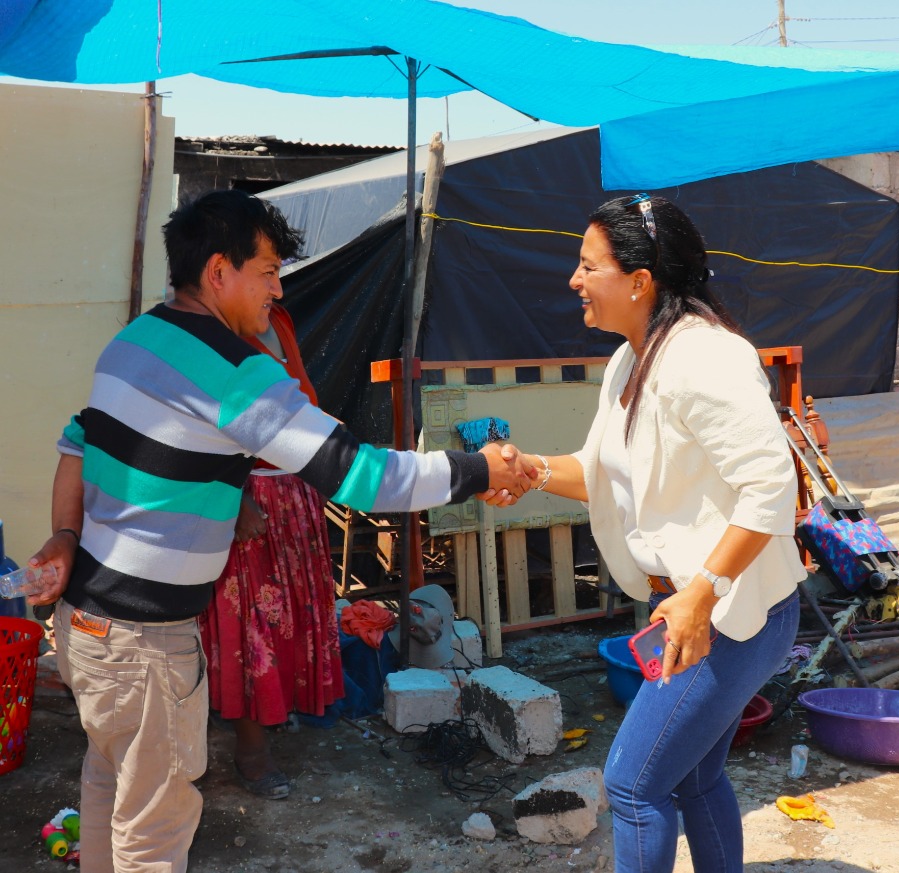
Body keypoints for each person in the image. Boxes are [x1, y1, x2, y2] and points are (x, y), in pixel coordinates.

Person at [23, 189, 529, 873]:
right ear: (218, 273)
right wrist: (475, 467)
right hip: (143, 644)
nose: (278, 287)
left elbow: (78, 441)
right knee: (154, 830)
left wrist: (62, 532)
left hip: (86, 628)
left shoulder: (133, 340)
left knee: (110, 786)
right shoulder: (235, 368)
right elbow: (358, 475)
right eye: (266, 270)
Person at [489, 194, 806, 873]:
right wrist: (534, 470)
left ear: (639, 281)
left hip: (732, 611)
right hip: (700, 611)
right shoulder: (632, 361)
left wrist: (703, 592)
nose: (574, 281)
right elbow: (603, 471)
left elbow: (772, 484)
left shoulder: (706, 359)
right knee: (691, 777)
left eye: (586, 265)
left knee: (634, 784)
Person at [199, 302, 341, 800]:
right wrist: (236, 499)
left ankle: (276, 716)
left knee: (292, 621)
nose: (278, 284)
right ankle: (251, 752)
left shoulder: (281, 320)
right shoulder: (216, 331)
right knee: (250, 629)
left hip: (294, 493)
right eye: (266, 269)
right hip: (250, 498)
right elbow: (203, 428)